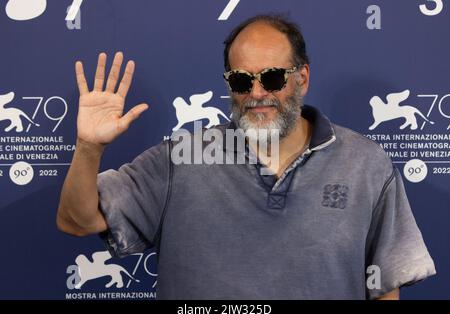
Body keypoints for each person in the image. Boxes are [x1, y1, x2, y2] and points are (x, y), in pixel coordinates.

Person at [57, 14, 436, 299]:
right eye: (241, 80)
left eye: (272, 78)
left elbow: (386, 285)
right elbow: (75, 221)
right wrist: (89, 148)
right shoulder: (181, 158)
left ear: (302, 78)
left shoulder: (365, 163)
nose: (257, 93)